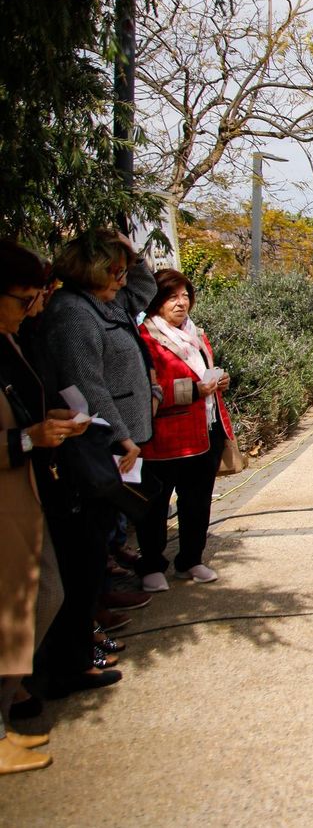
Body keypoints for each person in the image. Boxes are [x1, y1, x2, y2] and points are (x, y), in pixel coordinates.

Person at [38, 230, 159, 686]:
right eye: (115, 270)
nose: (123, 278)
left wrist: (131, 250)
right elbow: (87, 385)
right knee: (83, 547)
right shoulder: (73, 313)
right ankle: (77, 644)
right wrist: (123, 437)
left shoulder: (106, 302)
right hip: (99, 444)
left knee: (99, 541)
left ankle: (92, 620)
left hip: (118, 439)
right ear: (93, 270)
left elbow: (145, 291)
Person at [1, 241, 87, 771]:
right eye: (24, 298)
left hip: (25, 493)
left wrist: (49, 422)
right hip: (10, 493)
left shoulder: (10, 340)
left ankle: (7, 710)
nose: (33, 307)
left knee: (43, 596)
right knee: (13, 610)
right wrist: (30, 438)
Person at [135, 270, 235, 592]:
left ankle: (191, 559)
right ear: (156, 301)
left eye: (185, 295)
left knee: (197, 501)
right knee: (155, 504)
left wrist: (220, 381)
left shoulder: (196, 333)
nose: (181, 303)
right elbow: (148, 388)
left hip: (205, 431)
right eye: (172, 297)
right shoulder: (145, 338)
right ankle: (151, 564)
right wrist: (194, 390)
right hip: (165, 436)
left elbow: (205, 371)